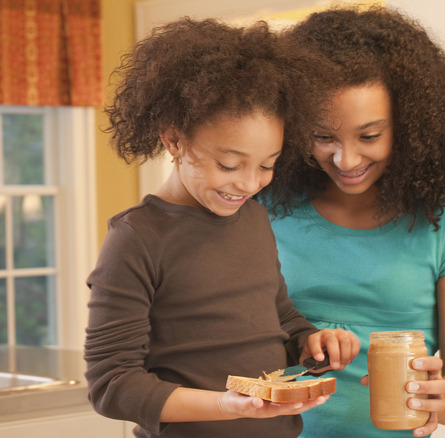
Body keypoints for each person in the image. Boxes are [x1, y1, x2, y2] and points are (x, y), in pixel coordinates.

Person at [83, 18, 360, 438]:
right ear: (174, 140)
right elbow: (112, 385)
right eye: (228, 165)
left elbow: (279, 319)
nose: (250, 184)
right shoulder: (136, 238)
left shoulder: (254, 218)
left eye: (267, 165)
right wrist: (226, 406)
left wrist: (311, 343)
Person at [260, 6, 445, 438]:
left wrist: (438, 395)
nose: (346, 160)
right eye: (323, 136)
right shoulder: (264, 205)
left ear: (409, 126)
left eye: (369, 136)